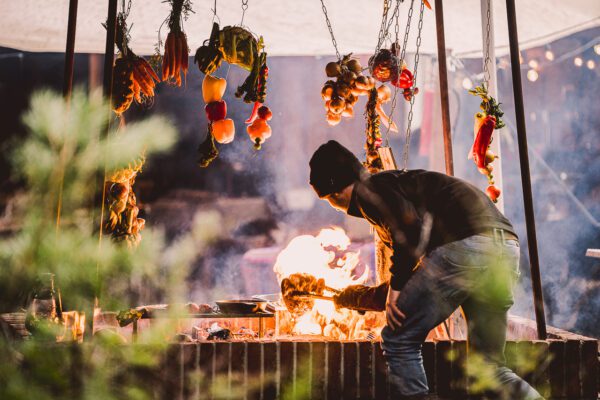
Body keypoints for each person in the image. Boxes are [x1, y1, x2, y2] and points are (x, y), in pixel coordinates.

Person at [309, 140, 543, 400]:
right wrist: (358, 297)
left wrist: (396, 289)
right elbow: (413, 278)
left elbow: (409, 235)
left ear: (333, 192)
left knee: (399, 340)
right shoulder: (397, 187)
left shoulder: (368, 192)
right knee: (489, 367)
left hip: (465, 245)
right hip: (504, 246)